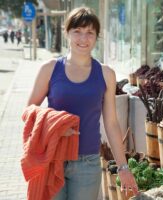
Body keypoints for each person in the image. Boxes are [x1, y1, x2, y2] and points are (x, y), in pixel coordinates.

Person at [26, 7, 138, 200]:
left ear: (97, 37)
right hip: (52, 158)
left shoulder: (106, 74)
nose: (83, 39)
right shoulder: (50, 69)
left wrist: (123, 167)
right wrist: (55, 127)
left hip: (87, 163)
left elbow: (111, 123)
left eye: (89, 33)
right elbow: (29, 111)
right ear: (67, 32)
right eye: (77, 31)